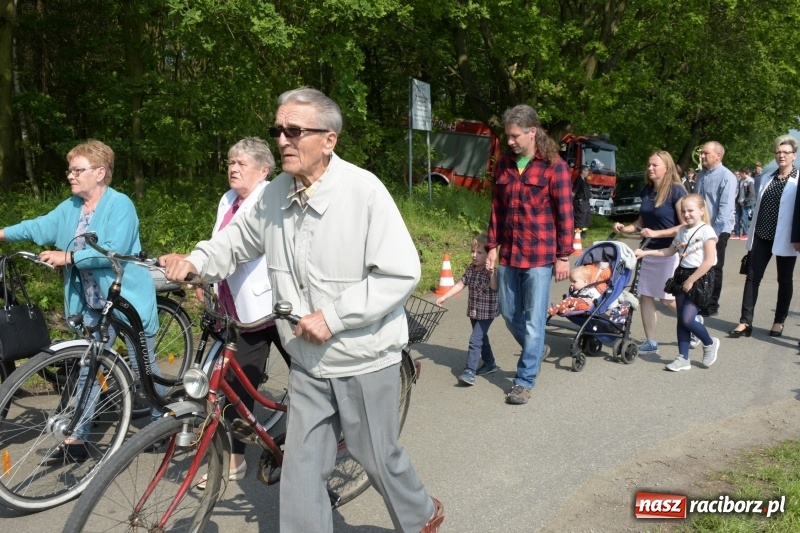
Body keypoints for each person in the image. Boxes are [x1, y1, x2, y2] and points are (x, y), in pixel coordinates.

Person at [161, 88, 443, 533]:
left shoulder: (363, 191)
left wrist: (333, 317)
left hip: (363, 357)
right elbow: (235, 243)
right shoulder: (274, 195)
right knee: (301, 470)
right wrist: (196, 260)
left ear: (328, 139)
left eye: (295, 130)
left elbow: (399, 272)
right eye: (278, 130)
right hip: (308, 360)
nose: (283, 140)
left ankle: (421, 514)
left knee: (376, 456)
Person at [0, 139, 160, 459]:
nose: (70, 176)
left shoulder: (120, 205)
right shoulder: (72, 207)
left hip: (125, 301)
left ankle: (162, 425)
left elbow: (112, 250)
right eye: (69, 170)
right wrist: (3, 233)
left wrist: (68, 256)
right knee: (89, 368)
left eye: (78, 170)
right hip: (91, 305)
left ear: (100, 173)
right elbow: (39, 225)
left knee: (146, 370)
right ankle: (78, 438)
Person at [176, 137, 290, 488]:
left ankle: (336, 434)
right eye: (230, 162)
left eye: (241, 163)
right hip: (241, 310)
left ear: (264, 170)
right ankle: (235, 459)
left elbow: (248, 248)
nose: (233, 167)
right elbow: (220, 245)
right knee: (238, 388)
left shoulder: (274, 197)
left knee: (314, 376)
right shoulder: (227, 200)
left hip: (278, 306)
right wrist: (203, 276)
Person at [485, 104, 573, 406]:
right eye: (507, 136)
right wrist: (491, 249)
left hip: (540, 256)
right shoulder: (504, 165)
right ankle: (535, 350)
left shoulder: (554, 166)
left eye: (514, 136)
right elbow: (496, 209)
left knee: (535, 322)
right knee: (509, 314)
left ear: (531, 132)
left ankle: (523, 381)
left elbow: (565, 212)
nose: (509, 141)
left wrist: (563, 255)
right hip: (510, 253)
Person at [634, 194, 720, 371]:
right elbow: (669, 251)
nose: (687, 214)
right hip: (682, 275)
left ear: (701, 211)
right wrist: (646, 253)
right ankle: (683, 358)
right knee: (681, 319)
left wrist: (691, 280)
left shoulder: (707, 231)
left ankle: (709, 343)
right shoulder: (682, 231)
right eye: (683, 211)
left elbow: (709, 261)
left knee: (688, 319)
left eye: (691, 210)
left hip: (700, 277)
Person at [613, 151, 686, 354]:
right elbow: (642, 221)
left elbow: (684, 225)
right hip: (647, 251)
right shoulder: (646, 191)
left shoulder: (676, 191)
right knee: (645, 296)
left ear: (667, 168)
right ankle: (651, 342)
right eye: (649, 165)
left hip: (668, 251)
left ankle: (693, 324)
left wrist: (657, 232)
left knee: (666, 299)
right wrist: (625, 228)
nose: (650, 168)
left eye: (655, 165)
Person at [731, 135, 800, 339]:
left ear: (793, 156)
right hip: (761, 234)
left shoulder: (797, 181)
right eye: (778, 152)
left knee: (784, 279)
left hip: (785, 237)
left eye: (785, 152)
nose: (781, 155)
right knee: (752, 278)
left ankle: (779, 321)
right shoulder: (767, 178)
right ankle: (745, 321)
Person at [435, 234, 499, 386]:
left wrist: (491, 274)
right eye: (472, 251)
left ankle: (470, 371)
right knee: (482, 338)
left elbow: (494, 287)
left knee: (475, 339)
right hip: (474, 311)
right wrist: (444, 296)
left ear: (489, 254)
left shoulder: (490, 271)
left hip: (486, 313)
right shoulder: (470, 270)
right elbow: (460, 284)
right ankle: (490, 363)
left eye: (479, 252)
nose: (474, 255)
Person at [695, 141, 737, 317]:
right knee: (697, 264)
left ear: (718, 155)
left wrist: (714, 234)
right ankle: (698, 299)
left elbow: (724, 209)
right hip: (699, 229)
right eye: (702, 153)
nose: (702, 156)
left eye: (706, 153)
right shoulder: (701, 176)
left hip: (718, 230)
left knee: (714, 266)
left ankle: (711, 304)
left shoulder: (727, 177)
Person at [732, 167, 756, 239]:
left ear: (744, 173)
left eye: (741, 174)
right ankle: (737, 233)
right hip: (740, 201)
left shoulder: (750, 181)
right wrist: (737, 201)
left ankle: (745, 233)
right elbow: (740, 192)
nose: (740, 175)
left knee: (744, 218)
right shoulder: (741, 181)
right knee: (737, 217)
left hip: (746, 203)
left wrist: (745, 201)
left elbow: (751, 193)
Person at [573, 164, 592, 243]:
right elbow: (574, 192)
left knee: (586, 218)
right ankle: (577, 235)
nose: (588, 172)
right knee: (580, 219)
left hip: (586, 202)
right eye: (587, 170)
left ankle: (583, 233)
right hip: (580, 203)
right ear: (583, 171)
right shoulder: (579, 180)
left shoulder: (585, 180)